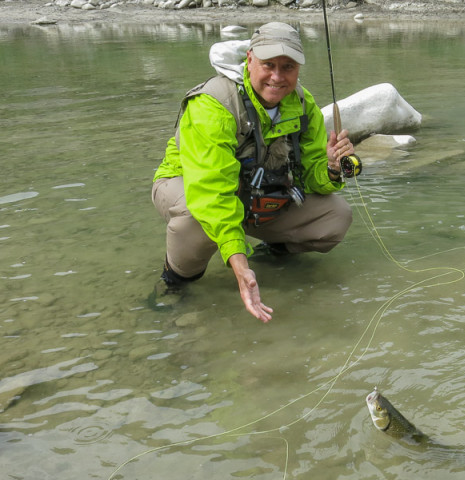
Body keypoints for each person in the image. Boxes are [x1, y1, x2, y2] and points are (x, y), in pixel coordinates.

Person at [151, 22, 354, 322]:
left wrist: (333, 170)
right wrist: (239, 264)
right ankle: (174, 281)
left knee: (336, 215)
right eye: (268, 65)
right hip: (187, 188)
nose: (277, 76)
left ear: (298, 68)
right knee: (198, 218)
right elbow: (212, 194)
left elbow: (311, 176)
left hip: (254, 197)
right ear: (249, 60)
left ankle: (270, 254)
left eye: (288, 67)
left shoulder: (302, 103)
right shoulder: (212, 104)